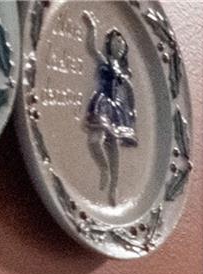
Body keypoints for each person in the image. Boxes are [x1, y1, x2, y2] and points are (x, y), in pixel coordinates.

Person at [80, 10, 136, 204]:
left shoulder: (123, 71)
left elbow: (129, 89)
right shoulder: (104, 61)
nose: (119, 46)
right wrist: (92, 27)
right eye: (116, 42)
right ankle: (104, 168)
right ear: (109, 44)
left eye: (122, 44)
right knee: (96, 141)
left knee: (114, 146)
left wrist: (132, 109)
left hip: (117, 109)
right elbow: (91, 48)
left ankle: (114, 186)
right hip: (102, 104)